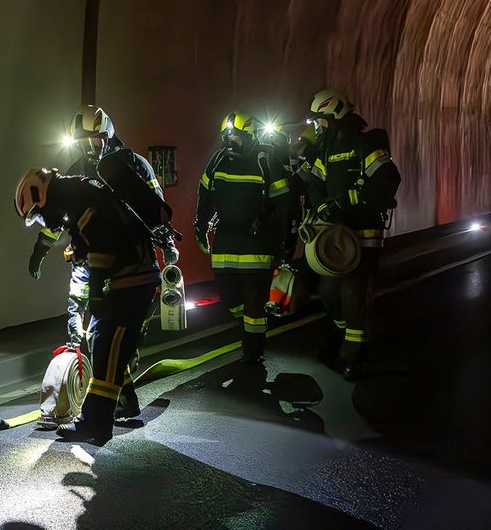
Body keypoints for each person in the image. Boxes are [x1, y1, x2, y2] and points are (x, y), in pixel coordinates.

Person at [15, 167, 164, 443]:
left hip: (133, 279)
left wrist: (95, 294)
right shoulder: (75, 196)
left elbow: (101, 248)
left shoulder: (79, 198)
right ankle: (124, 403)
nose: (42, 221)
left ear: (41, 195)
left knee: (109, 347)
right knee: (101, 342)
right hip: (126, 279)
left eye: (36, 214)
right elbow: (88, 252)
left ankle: (95, 424)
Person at [26, 106, 177, 348]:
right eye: (83, 142)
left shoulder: (133, 164)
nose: (89, 147)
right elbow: (57, 216)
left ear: (107, 136)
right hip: (89, 255)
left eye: (94, 140)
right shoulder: (76, 171)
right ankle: (83, 354)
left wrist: (166, 243)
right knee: (79, 304)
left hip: (132, 254)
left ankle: (126, 349)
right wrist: (40, 250)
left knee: (131, 313)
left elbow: (154, 206)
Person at [298, 88, 401, 380]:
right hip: (336, 235)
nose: (317, 127)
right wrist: (321, 206)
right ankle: (348, 341)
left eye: (320, 121)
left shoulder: (365, 144)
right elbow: (314, 185)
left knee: (352, 291)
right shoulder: (326, 151)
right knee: (329, 292)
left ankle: (353, 357)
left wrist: (349, 201)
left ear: (335, 115)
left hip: (364, 233)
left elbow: (388, 178)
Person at [194, 112, 292, 365]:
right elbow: (205, 196)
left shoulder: (267, 162)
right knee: (229, 298)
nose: (230, 142)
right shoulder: (218, 161)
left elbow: (284, 207)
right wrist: (201, 227)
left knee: (253, 301)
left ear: (250, 137)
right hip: (226, 241)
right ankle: (250, 326)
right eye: (226, 137)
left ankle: (253, 351)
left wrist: (283, 243)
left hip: (256, 243)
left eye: (235, 137)